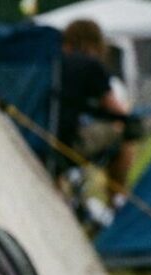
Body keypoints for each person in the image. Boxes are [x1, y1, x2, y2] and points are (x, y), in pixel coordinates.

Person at [57, 19, 138, 197]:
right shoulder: (89, 65)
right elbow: (118, 111)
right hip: (65, 142)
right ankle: (116, 201)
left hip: (36, 134)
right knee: (122, 130)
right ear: (93, 44)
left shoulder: (52, 61)